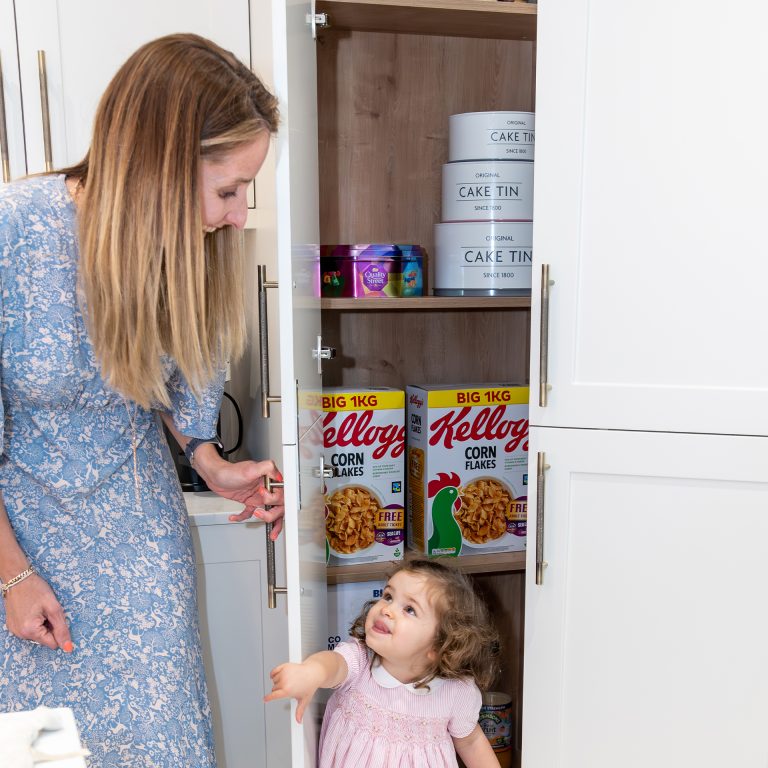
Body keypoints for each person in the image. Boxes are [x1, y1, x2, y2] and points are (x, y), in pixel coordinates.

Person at [0, 33, 283, 767]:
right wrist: (13, 576)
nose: (238, 214)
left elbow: (168, 388)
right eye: (228, 189)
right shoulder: (14, 231)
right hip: (19, 553)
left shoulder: (182, 247)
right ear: (158, 167)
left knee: (166, 749)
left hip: (139, 550)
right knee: (43, 754)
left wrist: (210, 460)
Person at [266, 559, 502, 768]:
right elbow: (334, 664)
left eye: (409, 609)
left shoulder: (456, 692)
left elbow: (470, 741)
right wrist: (311, 672)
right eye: (388, 596)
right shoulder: (361, 662)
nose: (387, 609)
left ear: (439, 646)